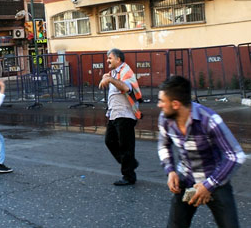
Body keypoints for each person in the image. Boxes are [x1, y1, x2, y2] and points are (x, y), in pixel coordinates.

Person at [157, 76, 246, 228]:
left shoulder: (209, 120)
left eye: (162, 101)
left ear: (176, 104)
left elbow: (236, 155)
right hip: (185, 179)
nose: (159, 105)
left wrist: (209, 185)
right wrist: (170, 171)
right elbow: (163, 146)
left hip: (215, 180)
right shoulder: (165, 118)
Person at [98, 48, 142, 186]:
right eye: (107, 58)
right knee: (109, 141)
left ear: (118, 59)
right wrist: (108, 77)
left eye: (110, 58)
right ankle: (130, 163)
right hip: (114, 114)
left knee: (126, 146)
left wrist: (110, 79)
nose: (107, 60)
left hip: (125, 114)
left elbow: (126, 88)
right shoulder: (114, 72)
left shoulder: (126, 71)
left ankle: (128, 176)